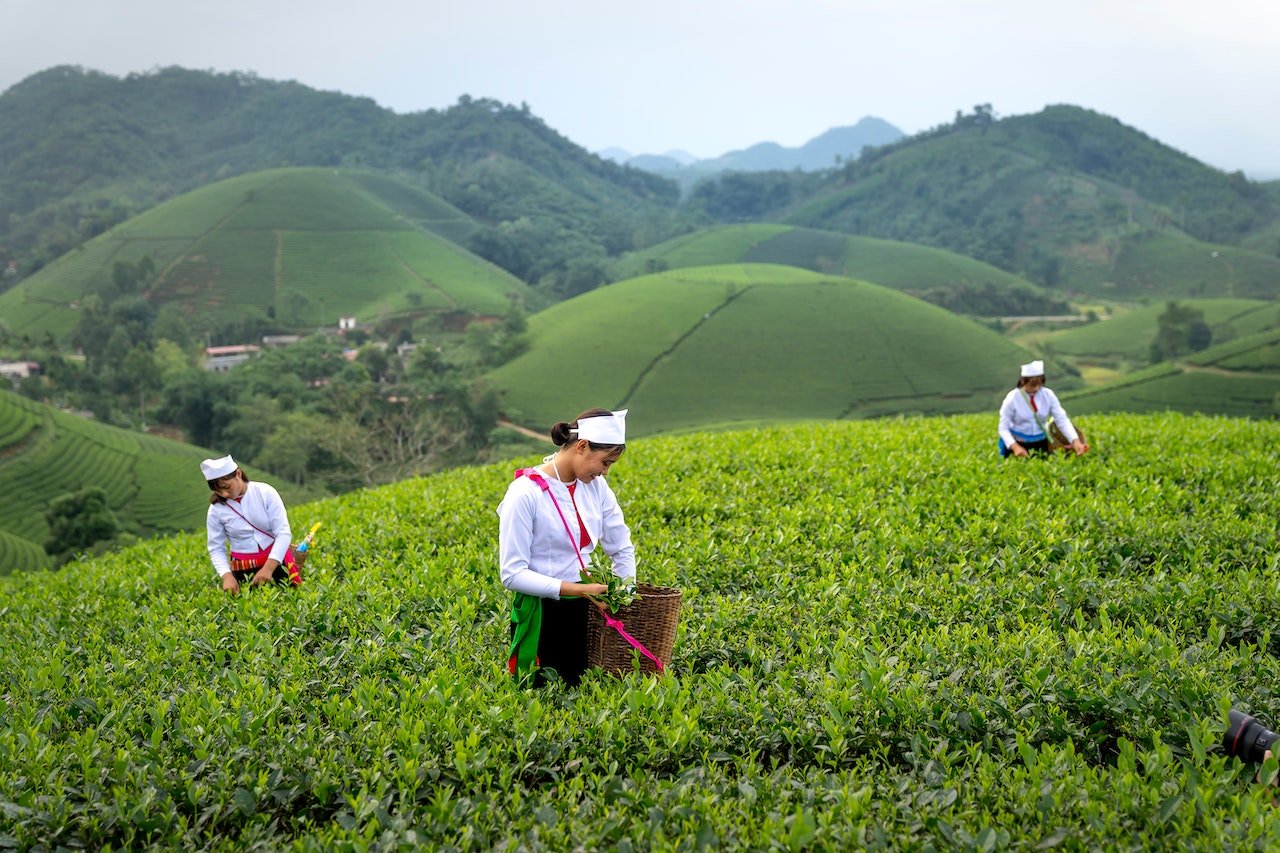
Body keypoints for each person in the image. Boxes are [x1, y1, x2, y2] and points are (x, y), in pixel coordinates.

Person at [498, 408, 636, 686]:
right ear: (582, 446)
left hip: (584, 610)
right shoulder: (525, 493)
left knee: (580, 695)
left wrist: (624, 593)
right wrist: (582, 590)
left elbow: (620, 547)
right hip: (541, 614)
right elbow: (512, 574)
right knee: (542, 698)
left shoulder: (597, 488)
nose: (605, 472)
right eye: (604, 462)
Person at [202, 455, 301, 594]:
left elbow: (283, 532)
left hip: (277, 561)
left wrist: (268, 569)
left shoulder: (265, 492)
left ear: (238, 474)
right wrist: (227, 576)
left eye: (226, 487)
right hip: (243, 567)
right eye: (218, 491)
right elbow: (216, 547)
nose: (224, 494)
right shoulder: (216, 509)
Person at [997, 360, 1089, 458]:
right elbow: (1003, 428)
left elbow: (1061, 419)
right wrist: (1015, 447)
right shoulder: (1013, 398)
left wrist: (1075, 441)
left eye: (1039, 385)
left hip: (1041, 442)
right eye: (1032, 385)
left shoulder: (1048, 395)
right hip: (1018, 442)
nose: (1036, 389)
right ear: (1023, 382)